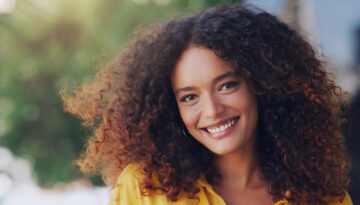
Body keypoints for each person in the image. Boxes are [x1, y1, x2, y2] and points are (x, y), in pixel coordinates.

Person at [61, 4, 353, 205]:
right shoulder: (145, 190)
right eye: (189, 97)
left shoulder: (324, 198)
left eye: (227, 85)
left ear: (261, 84)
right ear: (171, 108)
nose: (212, 110)